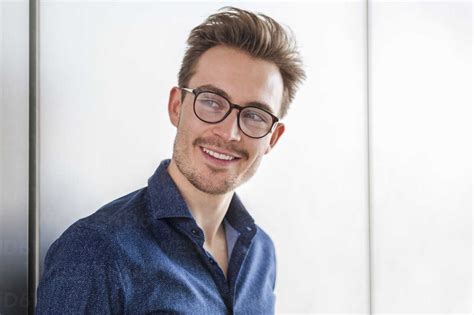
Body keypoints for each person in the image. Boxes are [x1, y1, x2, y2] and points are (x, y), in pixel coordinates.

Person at [36, 6, 305, 314]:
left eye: (255, 116)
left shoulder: (261, 254)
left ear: (272, 137)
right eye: (211, 102)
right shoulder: (95, 251)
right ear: (177, 106)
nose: (229, 132)